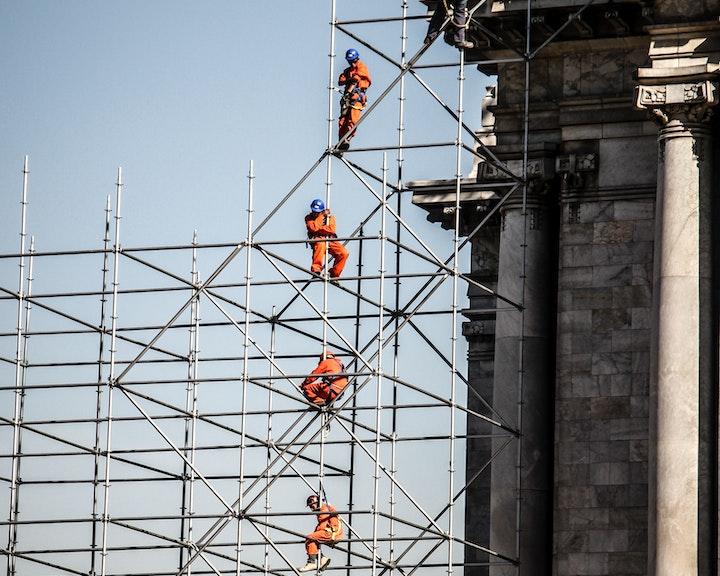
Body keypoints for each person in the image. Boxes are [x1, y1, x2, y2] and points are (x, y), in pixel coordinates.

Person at [298, 494, 343, 572]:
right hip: (332, 533)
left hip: (331, 533)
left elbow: (324, 525)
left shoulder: (324, 509)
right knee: (313, 541)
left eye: (312, 505)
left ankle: (311, 562)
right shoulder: (325, 508)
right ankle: (322, 559)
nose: (311, 508)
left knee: (310, 538)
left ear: (317, 502)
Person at [337, 48, 372, 151]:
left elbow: (355, 80)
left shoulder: (362, 67)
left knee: (353, 120)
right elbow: (341, 81)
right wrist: (348, 79)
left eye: (353, 61)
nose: (351, 63)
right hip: (348, 98)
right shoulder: (349, 70)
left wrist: (349, 91)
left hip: (356, 99)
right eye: (349, 61)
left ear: (356, 59)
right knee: (343, 120)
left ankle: (347, 139)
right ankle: (341, 142)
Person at [305, 198, 349, 279]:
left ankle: (334, 274)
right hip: (318, 239)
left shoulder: (329, 218)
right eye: (314, 211)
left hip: (330, 239)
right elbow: (313, 228)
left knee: (343, 253)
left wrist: (320, 228)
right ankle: (316, 270)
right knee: (321, 244)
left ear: (321, 210)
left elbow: (331, 230)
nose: (315, 213)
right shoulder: (308, 218)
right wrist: (322, 218)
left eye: (317, 212)